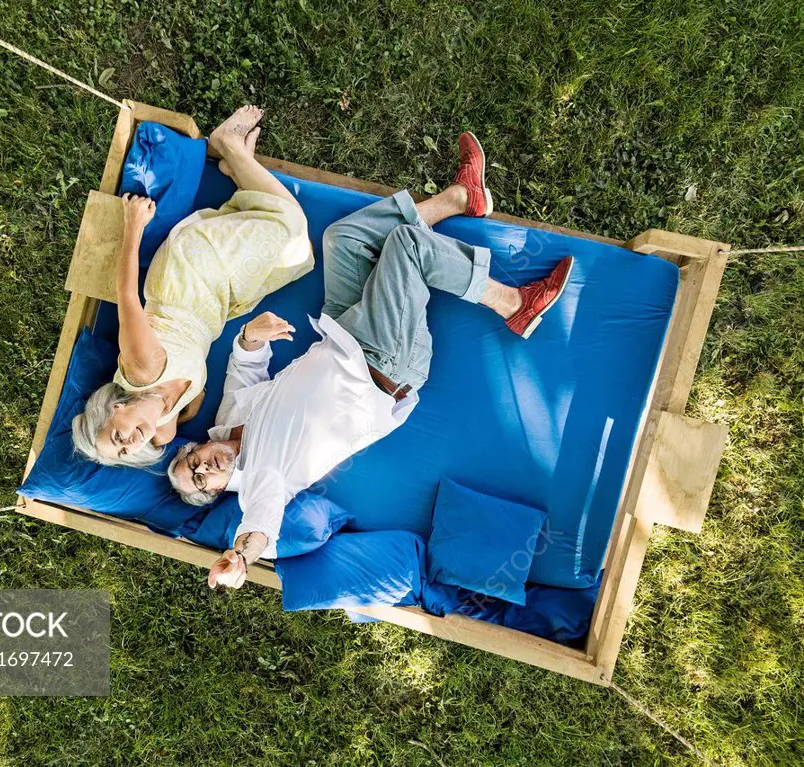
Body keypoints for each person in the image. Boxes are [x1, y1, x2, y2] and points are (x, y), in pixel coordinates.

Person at [166, 131, 574, 589]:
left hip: (340, 332)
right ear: (217, 492)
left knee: (343, 238)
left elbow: (243, 366)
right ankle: (515, 304)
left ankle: (463, 197)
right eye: (200, 482)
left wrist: (249, 336)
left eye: (193, 462)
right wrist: (241, 557)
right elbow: (261, 527)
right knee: (406, 247)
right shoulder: (262, 480)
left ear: (195, 446)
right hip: (384, 366)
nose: (204, 469)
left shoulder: (226, 421)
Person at [72, 105, 314, 468]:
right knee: (296, 261)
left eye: (117, 436)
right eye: (125, 452)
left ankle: (227, 144)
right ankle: (238, 168)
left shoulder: (141, 369)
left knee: (291, 228)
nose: (130, 444)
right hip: (215, 306)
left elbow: (126, 295)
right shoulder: (165, 429)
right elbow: (194, 395)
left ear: (115, 408)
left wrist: (133, 225)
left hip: (187, 276)